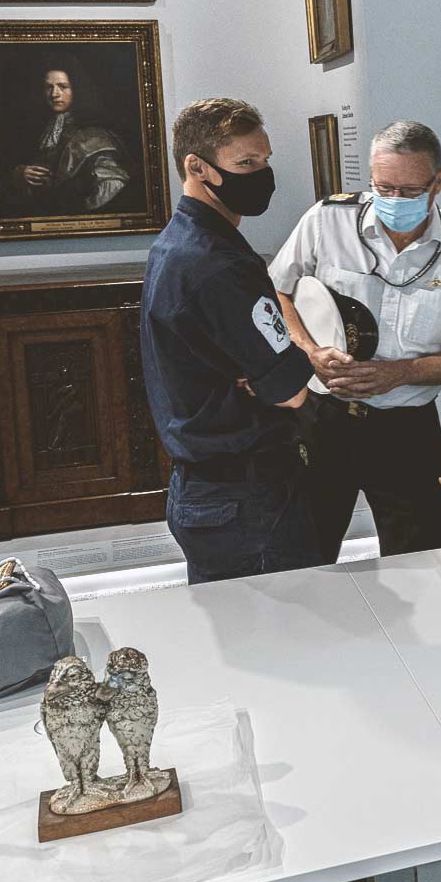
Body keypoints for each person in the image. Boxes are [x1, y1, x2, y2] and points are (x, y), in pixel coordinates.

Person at [270, 120, 441, 559]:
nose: (393, 201)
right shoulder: (328, 220)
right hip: (325, 419)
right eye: (383, 188)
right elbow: (279, 291)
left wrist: (401, 373)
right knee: (302, 553)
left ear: (437, 182)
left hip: (406, 430)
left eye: (408, 191)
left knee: (419, 561)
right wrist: (309, 351)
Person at [140, 97, 317, 584]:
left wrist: (257, 373)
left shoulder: (176, 243)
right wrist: (286, 365)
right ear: (197, 167)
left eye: (264, 160)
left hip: (209, 487)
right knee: (280, 635)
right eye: (245, 163)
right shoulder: (215, 264)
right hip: (244, 493)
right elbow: (291, 389)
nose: (262, 174)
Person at [4, 60, 134, 216]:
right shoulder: (39, 128)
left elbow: (113, 184)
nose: (54, 94)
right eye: (49, 87)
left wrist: (77, 211)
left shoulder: (94, 134)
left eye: (63, 87)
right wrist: (20, 174)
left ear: (76, 89)